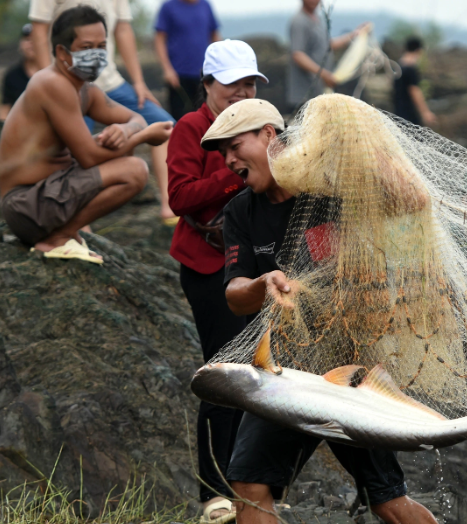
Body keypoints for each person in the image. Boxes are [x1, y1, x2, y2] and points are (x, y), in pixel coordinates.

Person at [199, 98, 437, 524]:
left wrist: (362, 145)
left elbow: (413, 199)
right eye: (222, 154)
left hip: (350, 368)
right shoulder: (240, 212)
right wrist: (263, 282)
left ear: (269, 135)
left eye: (235, 145)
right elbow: (235, 293)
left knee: (387, 500)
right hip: (285, 372)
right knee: (249, 487)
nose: (229, 160)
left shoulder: (332, 189)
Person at [166, 39, 268, 524]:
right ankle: (213, 493)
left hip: (252, 264)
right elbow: (181, 197)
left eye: (249, 83)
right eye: (233, 84)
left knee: (263, 372)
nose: (242, 91)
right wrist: (239, 171)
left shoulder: (263, 125)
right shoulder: (191, 129)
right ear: (207, 85)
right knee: (224, 373)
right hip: (206, 268)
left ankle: (253, 486)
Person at [0, 6, 172, 263]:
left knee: (115, 148)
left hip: (50, 195)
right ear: (61, 52)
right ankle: (58, 237)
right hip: (26, 206)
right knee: (134, 170)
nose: (97, 55)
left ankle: (64, 232)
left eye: (102, 46)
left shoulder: (86, 90)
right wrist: (143, 136)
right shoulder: (52, 83)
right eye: (87, 47)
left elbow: (134, 117)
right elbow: (89, 157)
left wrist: (125, 129)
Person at [29, 0, 177, 223]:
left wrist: (138, 83)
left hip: (110, 83)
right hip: (67, 81)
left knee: (166, 124)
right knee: (72, 153)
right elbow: (39, 29)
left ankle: (169, 204)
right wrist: (48, 82)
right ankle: (77, 227)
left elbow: (123, 29)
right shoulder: (54, 86)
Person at [287, 0, 368, 112]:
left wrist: (354, 35)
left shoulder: (318, 20)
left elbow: (328, 45)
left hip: (320, 93)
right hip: (305, 95)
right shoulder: (299, 21)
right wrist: (324, 74)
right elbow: (297, 55)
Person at [154, 0, 222, 120]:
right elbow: (160, 39)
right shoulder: (168, 7)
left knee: (208, 118)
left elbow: (215, 35)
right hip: (178, 75)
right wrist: (167, 69)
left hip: (205, 74)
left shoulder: (205, 5)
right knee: (180, 117)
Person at [392, 36, 437, 127]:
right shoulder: (410, 69)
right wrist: (425, 112)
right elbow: (414, 91)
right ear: (419, 50)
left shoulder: (397, 67)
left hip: (397, 110)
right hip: (409, 113)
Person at [0, 24, 40, 121]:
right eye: (27, 40)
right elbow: (4, 111)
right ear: (20, 44)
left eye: (35, 39)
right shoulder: (12, 76)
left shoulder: (55, 74)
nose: (31, 43)